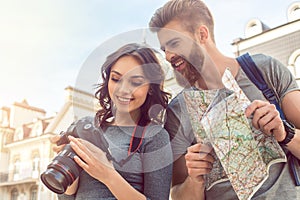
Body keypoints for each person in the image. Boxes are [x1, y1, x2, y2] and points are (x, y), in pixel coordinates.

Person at [149, 0, 300, 199]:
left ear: (202, 34)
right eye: (164, 49)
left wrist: (284, 132)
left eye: (174, 43)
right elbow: (177, 195)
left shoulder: (264, 70)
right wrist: (194, 179)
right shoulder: (177, 110)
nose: (168, 56)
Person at [50, 43, 173, 200]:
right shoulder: (89, 129)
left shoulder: (155, 137)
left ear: (150, 87)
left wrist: (107, 174)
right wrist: (68, 165)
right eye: (116, 79)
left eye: (135, 82)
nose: (123, 89)